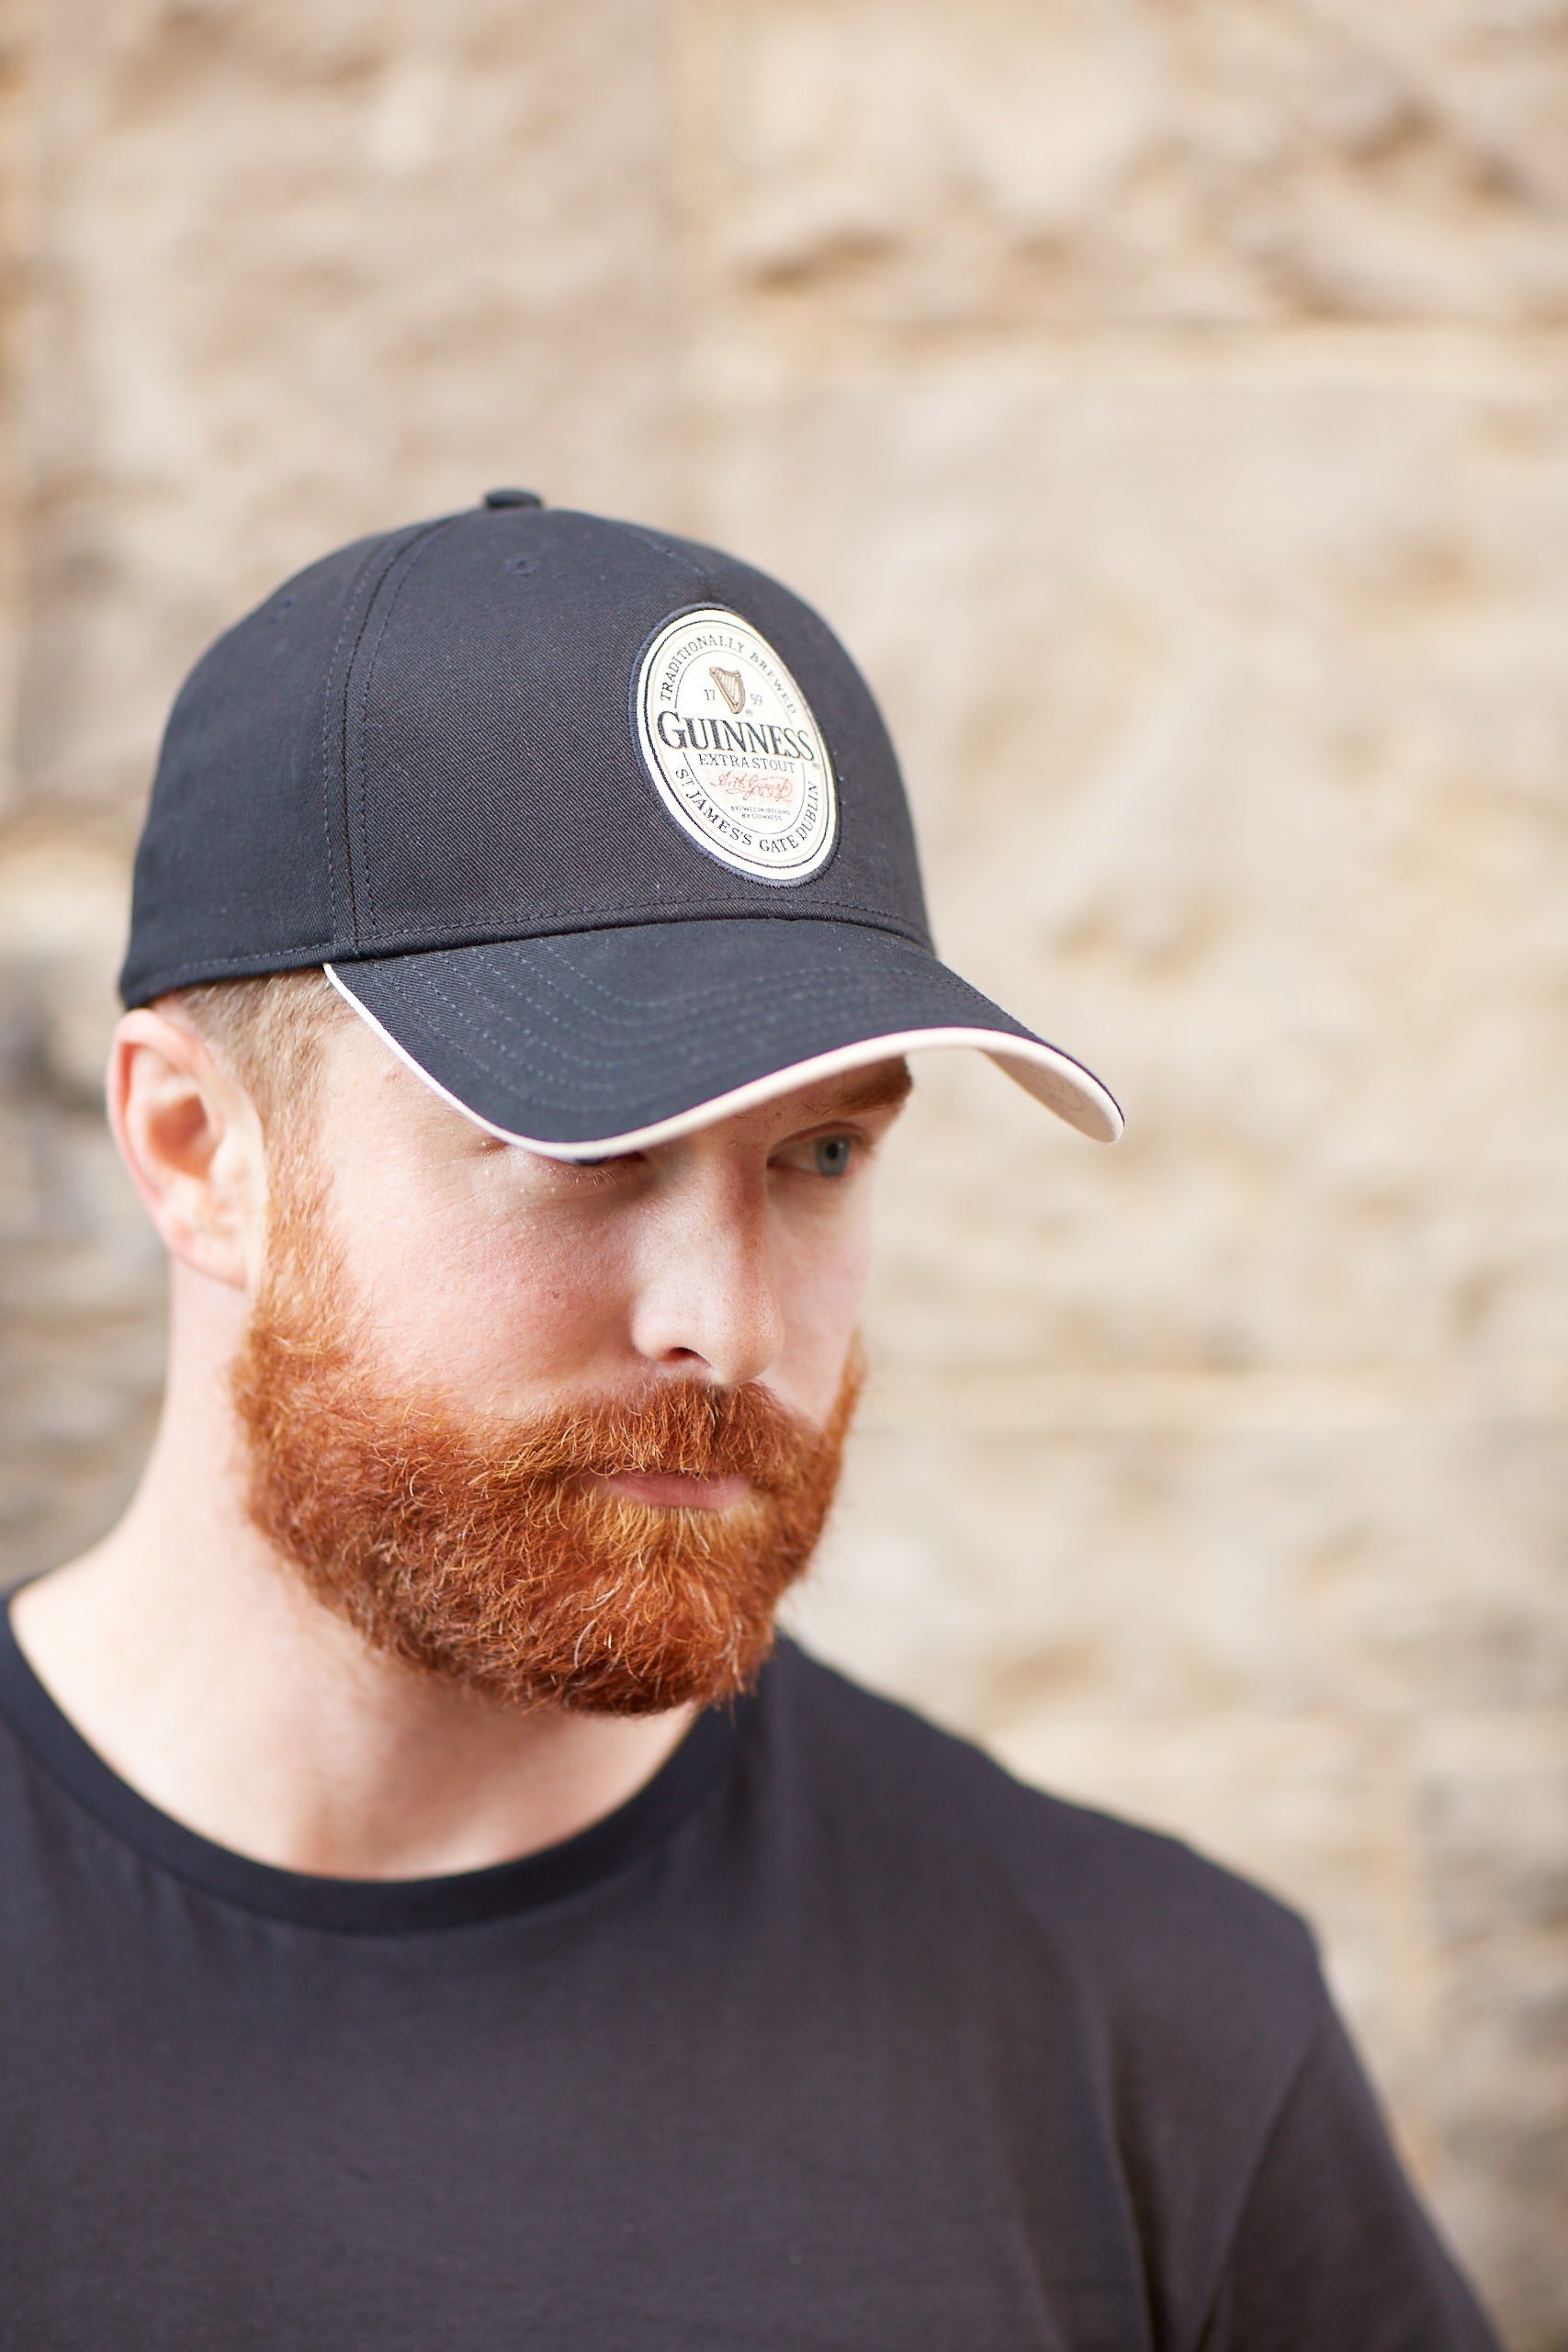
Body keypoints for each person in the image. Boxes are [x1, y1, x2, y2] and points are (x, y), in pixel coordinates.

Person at [0, 491, 1499, 2349]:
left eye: (816, 1150)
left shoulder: (1149, 2038)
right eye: (580, 1147)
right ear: (194, 1148)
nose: (721, 1318)